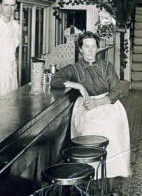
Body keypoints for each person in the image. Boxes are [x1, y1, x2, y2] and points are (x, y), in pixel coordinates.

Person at [51, 31, 131, 194]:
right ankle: (91, 182)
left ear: (97, 48)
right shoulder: (74, 68)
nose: (90, 50)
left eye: (93, 46)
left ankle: (108, 184)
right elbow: (55, 80)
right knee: (92, 132)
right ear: (80, 49)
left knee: (111, 133)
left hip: (108, 103)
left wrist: (98, 102)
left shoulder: (107, 66)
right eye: (86, 47)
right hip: (86, 106)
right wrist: (78, 86)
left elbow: (116, 91)